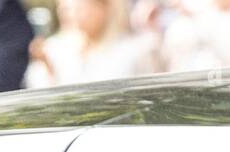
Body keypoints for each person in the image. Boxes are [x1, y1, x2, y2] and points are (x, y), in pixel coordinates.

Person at [27, 0, 160, 87]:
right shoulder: (54, 48)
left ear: (103, 8)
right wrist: (48, 68)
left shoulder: (135, 50)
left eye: (79, 8)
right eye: (66, 8)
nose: (71, 14)